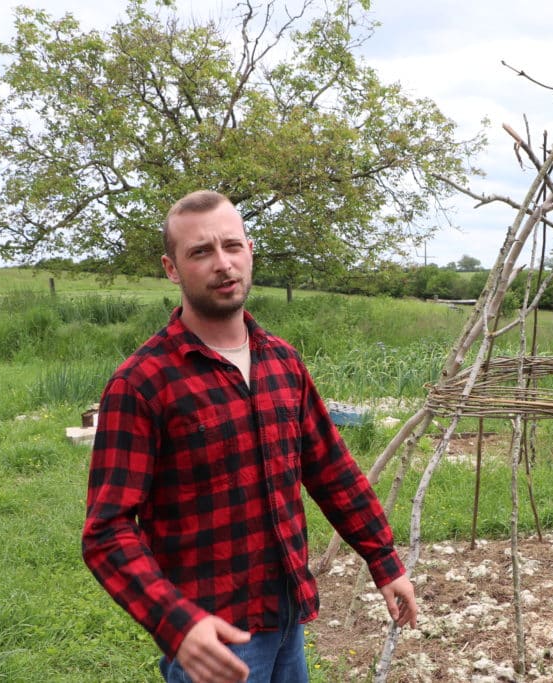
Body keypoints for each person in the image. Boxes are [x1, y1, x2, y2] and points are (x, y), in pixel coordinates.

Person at [82, 190, 417, 683]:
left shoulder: (281, 361)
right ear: (171, 268)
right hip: (214, 641)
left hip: (287, 619)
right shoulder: (143, 383)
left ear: (250, 250)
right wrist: (176, 625)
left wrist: (384, 558)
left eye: (232, 246)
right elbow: (106, 532)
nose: (223, 264)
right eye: (200, 252)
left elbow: (330, 468)